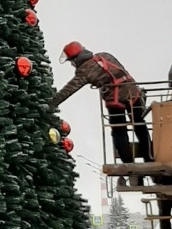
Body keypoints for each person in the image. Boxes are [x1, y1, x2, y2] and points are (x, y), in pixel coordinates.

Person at [50, 41, 153, 170]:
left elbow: (68, 90)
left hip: (115, 101)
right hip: (133, 93)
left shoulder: (84, 72)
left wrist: (51, 104)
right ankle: (149, 157)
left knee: (119, 131)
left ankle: (128, 165)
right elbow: (121, 70)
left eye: (71, 61)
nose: (72, 64)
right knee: (139, 125)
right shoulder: (104, 55)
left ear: (76, 59)